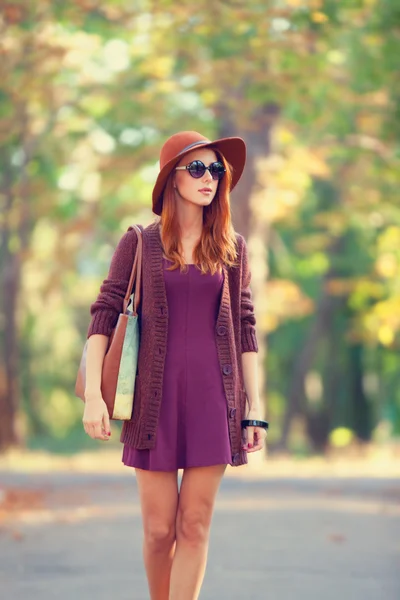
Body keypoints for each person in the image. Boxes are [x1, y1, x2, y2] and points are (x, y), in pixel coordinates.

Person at [82, 130, 268, 600]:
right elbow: (103, 317)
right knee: (159, 531)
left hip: (214, 402)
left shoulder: (232, 248)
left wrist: (255, 406)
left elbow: (246, 328)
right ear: (172, 178)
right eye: (198, 168)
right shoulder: (139, 244)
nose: (210, 179)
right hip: (153, 404)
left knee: (196, 524)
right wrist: (92, 399)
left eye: (217, 170)